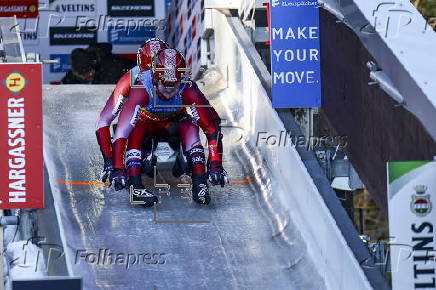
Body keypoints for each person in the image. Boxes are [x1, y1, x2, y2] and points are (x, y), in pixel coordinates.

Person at [108, 48, 227, 206]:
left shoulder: (188, 88)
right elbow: (122, 131)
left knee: (191, 125)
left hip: (173, 123)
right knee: (134, 129)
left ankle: (200, 183)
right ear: (156, 79)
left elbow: (211, 128)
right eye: (165, 84)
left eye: (174, 84)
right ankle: (135, 185)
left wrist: (215, 163)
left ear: (181, 79)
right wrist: (118, 168)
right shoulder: (142, 89)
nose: (170, 90)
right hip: (146, 123)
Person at [95, 39, 169, 184]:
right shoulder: (129, 79)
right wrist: (109, 159)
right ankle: (138, 157)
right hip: (141, 121)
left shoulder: (178, 76)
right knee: (124, 130)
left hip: (169, 120)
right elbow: (104, 120)